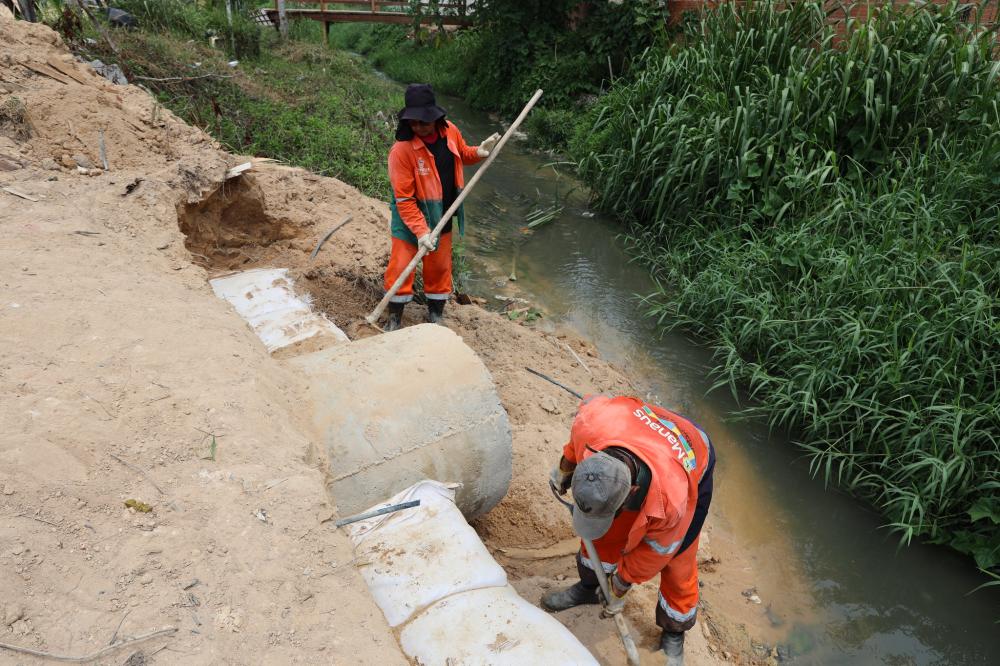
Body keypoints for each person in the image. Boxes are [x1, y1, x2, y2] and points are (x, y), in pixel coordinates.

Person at [544, 394, 716, 665]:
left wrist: (620, 584)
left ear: (632, 491)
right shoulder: (592, 425)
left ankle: (673, 630)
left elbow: (657, 552)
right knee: (604, 536)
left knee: (678, 561)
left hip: (689, 453)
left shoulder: (672, 498)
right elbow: (574, 446)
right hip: (634, 427)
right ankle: (589, 588)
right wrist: (564, 468)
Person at [383, 83, 500, 331]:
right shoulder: (401, 151)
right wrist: (421, 231)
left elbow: (463, 154)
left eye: (423, 122)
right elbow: (404, 200)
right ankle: (394, 319)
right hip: (409, 220)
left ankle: (435, 314)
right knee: (402, 266)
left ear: (435, 118)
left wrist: (479, 151)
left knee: (439, 268)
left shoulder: (451, 132)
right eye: (413, 123)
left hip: (443, 213)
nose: (418, 127)